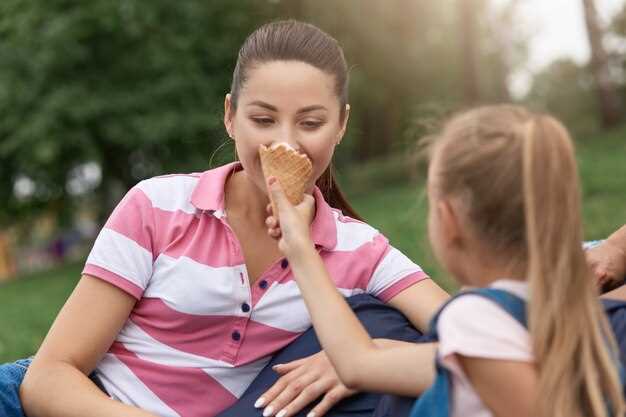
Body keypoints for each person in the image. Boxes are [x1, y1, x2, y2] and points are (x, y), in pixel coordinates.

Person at [3, 20, 449, 417]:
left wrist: (367, 359)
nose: (285, 145)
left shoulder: (362, 251)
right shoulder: (158, 206)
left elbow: (484, 343)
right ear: (230, 116)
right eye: (262, 119)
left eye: (311, 123)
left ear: (341, 125)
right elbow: (48, 379)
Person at [264, 104, 625, 417]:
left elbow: (356, 366)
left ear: (448, 219)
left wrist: (300, 251)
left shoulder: (477, 321)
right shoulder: (569, 312)